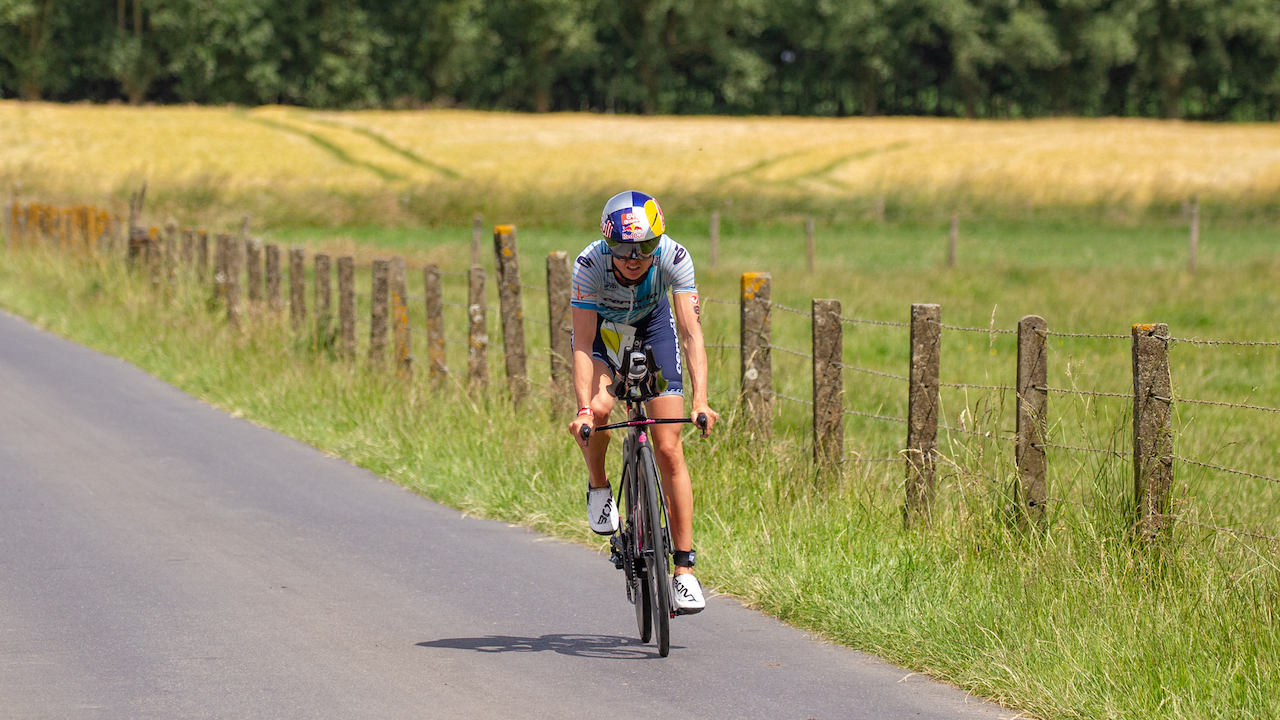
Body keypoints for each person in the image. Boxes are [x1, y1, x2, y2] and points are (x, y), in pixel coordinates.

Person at [567, 190, 719, 615]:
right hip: (605, 334)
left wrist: (701, 400)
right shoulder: (589, 264)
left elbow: (690, 335)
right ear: (607, 242)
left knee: (669, 446)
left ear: (659, 242)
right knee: (598, 411)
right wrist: (582, 408)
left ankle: (684, 571)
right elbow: (581, 343)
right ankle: (599, 486)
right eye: (624, 248)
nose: (635, 257)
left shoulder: (675, 256)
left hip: (654, 331)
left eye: (646, 247)